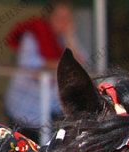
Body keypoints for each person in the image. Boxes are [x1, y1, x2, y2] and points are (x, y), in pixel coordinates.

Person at [5, 1, 87, 140]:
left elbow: (81, 65)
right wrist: (62, 65)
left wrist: (69, 37)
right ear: (50, 17)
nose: (64, 23)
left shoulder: (65, 39)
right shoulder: (34, 34)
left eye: (68, 19)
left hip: (50, 109)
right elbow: (29, 63)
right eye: (60, 18)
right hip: (24, 109)